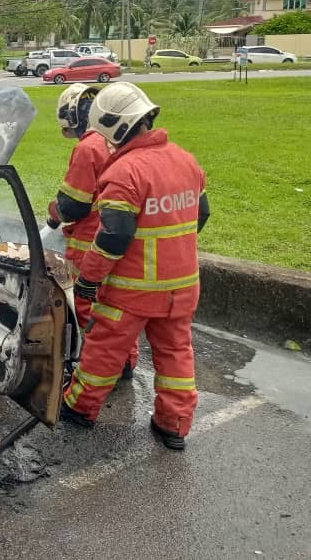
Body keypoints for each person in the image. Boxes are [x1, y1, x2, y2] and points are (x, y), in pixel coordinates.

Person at [61, 82, 210, 451]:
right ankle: (174, 424)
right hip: (182, 286)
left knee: (104, 348)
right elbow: (200, 215)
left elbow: (113, 236)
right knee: (176, 352)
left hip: (131, 289)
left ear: (114, 126)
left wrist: (89, 280)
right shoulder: (186, 160)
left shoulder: (124, 173)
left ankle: (80, 407)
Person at [46, 84, 138, 378]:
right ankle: (123, 362)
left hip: (89, 242)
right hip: (117, 239)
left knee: (86, 307)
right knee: (115, 307)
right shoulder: (116, 141)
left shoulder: (88, 147)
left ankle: (94, 368)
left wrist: (55, 213)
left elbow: (74, 204)